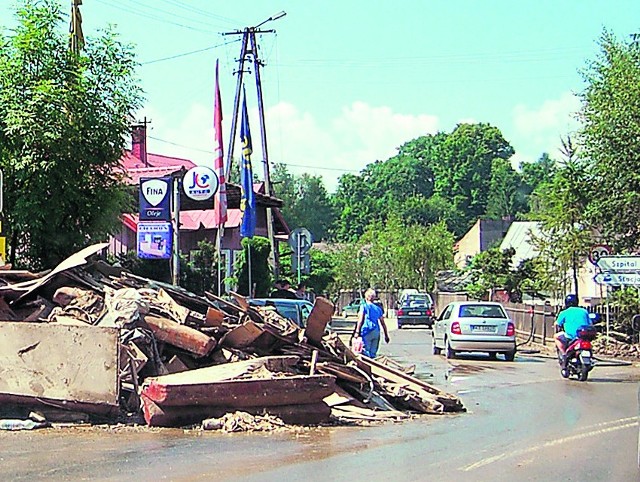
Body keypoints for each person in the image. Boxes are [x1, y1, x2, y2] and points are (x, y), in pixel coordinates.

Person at [554, 293, 592, 366]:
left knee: (556, 336)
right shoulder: (584, 311)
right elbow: (590, 323)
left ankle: (564, 354)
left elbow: (557, 324)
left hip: (570, 336)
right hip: (584, 336)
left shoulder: (564, 312)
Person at [353, 288, 390, 358]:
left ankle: (367, 366)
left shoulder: (364, 306)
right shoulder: (378, 309)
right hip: (376, 331)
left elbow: (360, 320)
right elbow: (383, 323)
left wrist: (357, 332)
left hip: (367, 330)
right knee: (373, 353)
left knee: (365, 351)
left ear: (366, 297)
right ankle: (372, 364)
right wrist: (386, 335)